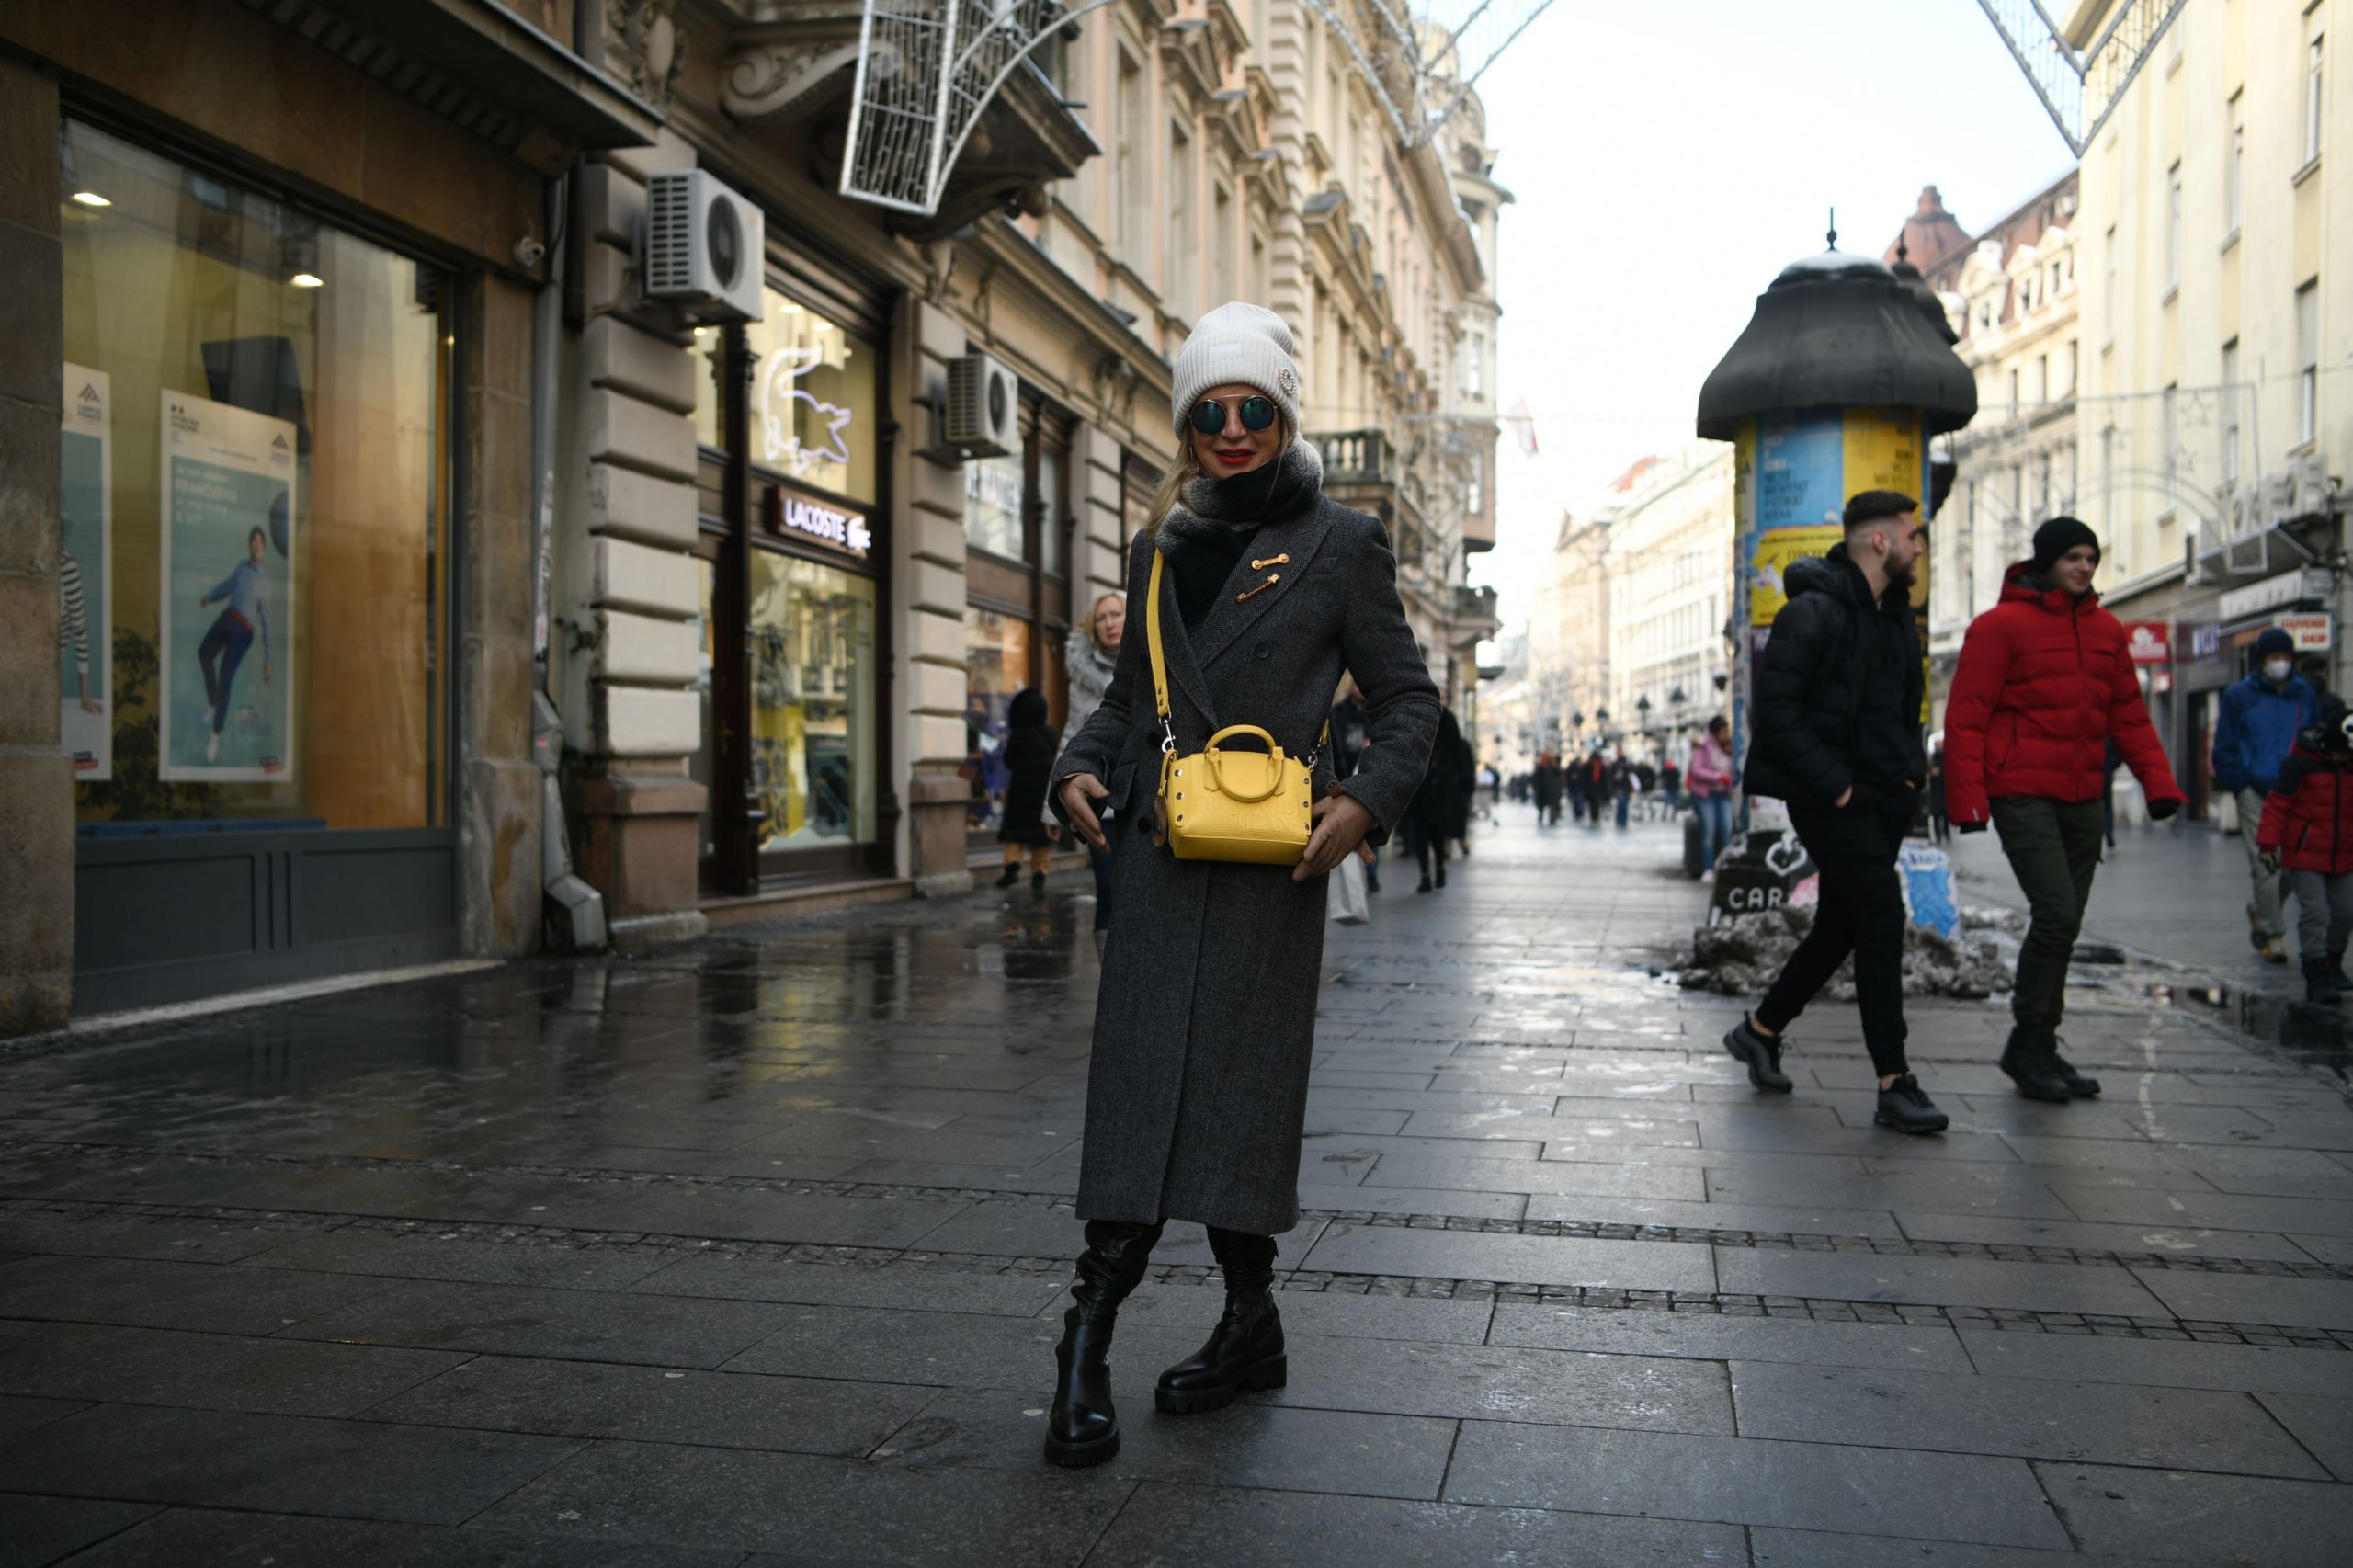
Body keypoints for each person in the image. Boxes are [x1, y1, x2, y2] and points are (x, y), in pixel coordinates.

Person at [1044, 301, 1438, 1469]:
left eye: (1250, 408)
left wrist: (1364, 800)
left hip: (1275, 857)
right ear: (1185, 420)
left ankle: (1247, 1319)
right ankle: (1086, 1336)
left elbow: (1409, 699)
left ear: (1281, 412)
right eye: (1207, 411)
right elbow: (1129, 705)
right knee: (1135, 1087)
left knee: (1237, 1094)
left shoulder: (1341, 541)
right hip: (1163, 855)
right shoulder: (1157, 542)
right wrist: (1074, 765)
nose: (1228, 429)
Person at [1719, 490, 1947, 1134]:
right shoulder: (1811, 613)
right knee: (1880, 915)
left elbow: (1906, 712)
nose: (1918, 548)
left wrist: (1908, 779)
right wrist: (1837, 788)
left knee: (1842, 925)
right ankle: (1893, 1081)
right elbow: (1779, 716)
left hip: (1882, 799)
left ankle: (1760, 1031)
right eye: (1913, 536)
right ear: (1881, 541)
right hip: (1829, 797)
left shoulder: (1895, 616)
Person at [1943, 517, 2187, 1101]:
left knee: (2065, 925)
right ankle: (2029, 1043)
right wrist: (1970, 800)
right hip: (2022, 791)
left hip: (2083, 797)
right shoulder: (1999, 627)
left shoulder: (2106, 630)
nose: (2083, 567)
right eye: (2073, 557)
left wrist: (2159, 785)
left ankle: (2039, 1045)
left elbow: (2128, 715)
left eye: (2091, 558)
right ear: (2047, 560)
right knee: (2054, 914)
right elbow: (1967, 715)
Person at [2214, 626, 2323, 963]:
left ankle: (2261, 910)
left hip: (2296, 791)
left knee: (2292, 866)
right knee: (2267, 864)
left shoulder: (2305, 695)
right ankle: (2273, 936)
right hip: (2256, 790)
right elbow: (2225, 746)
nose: (2281, 663)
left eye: (2286, 657)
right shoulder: (2239, 697)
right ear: (2261, 661)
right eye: (2275, 657)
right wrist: (2241, 784)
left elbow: (2315, 740)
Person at [2256, 695, 2353, 1002]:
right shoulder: (2300, 765)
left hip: (2344, 854)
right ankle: (2316, 971)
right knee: (2316, 912)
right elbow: (2277, 804)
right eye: (2340, 755)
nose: (2344, 762)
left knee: (2346, 912)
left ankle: (2334, 963)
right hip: (2306, 853)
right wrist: (2268, 843)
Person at [1066, 594, 1127, 949]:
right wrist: (1054, 804)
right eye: (1101, 617)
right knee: (1107, 889)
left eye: (1116, 614)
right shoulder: (1083, 676)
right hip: (1100, 798)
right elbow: (1072, 735)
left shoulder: (1150, 659)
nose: (1109, 623)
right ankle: (1112, 982)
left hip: (1142, 798)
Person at [195, 526, 273, 763]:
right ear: (250, 546)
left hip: (244, 631)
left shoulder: (265, 583)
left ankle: (215, 735)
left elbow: (267, 625)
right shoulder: (241, 567)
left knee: (225, 678)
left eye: (260, 542)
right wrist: (209, 597)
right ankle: (212, 700)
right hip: (229, 617)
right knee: (204, 653)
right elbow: (227, 586)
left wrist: (268, 661)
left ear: (264, 550)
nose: (256, 544)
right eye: (253, 541)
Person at [994, 687, 1061, 891]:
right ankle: (1039, 874)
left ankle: (1012, 865)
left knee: (1014, 831)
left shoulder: (1018, 735)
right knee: (1042, 836)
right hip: (1043, 793)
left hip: (1020, 793)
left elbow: (1009, 761)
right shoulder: (1050, 733)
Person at [1407, 702, 1469, 892]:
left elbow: (1459, 754)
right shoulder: (1417, 718)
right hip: (1421, 787)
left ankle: (1439, 868)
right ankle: (1426, 874)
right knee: (1422, 833)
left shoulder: (1447, 721)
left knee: (1436, 832)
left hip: (1440, 788)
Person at [1687, 715, 1734, 879]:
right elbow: (1696, 769)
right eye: (1722, 732)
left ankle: (1725, 867)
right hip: (1705, 794)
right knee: (1709, 830)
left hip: (1723, 794)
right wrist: (1717, 777)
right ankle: (1708, 868)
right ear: (1714, 733)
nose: (1726, 735)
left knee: (1726, 829)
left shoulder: (1729, 747)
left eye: (1727, 731)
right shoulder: (1704, 746)